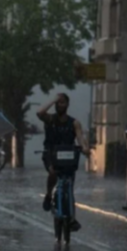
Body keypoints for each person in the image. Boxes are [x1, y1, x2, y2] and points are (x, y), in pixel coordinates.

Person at [36, 93, 90, 231]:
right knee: (53, 172)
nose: (60, 105)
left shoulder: (74, 123)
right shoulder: (50, 119)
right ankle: (48, 195)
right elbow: (40, 112)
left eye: (63, 102)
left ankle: (71, 218)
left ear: (67, 105)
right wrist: (53, 99)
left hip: (68, 156)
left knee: (69, 186)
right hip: (51, 154)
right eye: (58, 103)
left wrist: (84, 148)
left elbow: (80, 137)